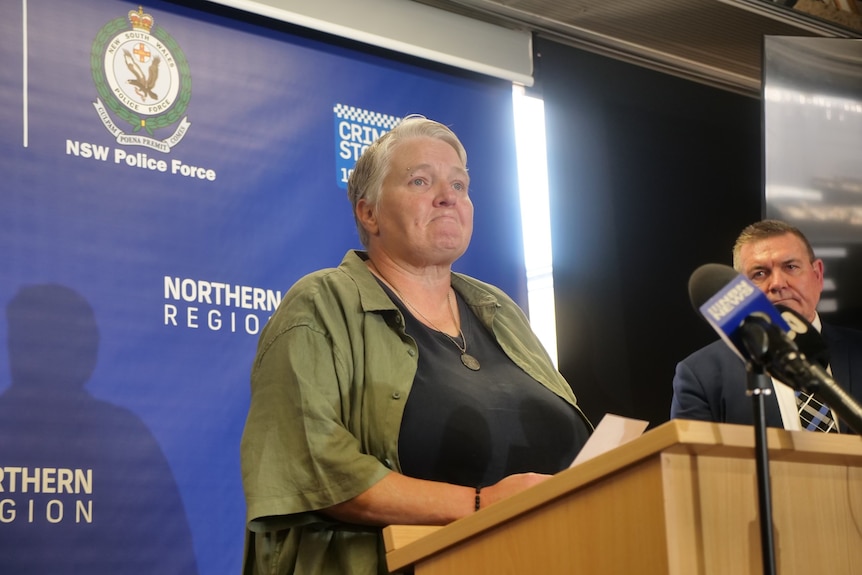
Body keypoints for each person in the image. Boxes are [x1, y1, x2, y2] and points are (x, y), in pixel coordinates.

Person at [240, 116, 592, 574]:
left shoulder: (499, 310)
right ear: (369, 212)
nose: (448, 196)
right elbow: (311, 463)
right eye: (421, 180)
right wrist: (480, 504)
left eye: (460, 185)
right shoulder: (322, 302)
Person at [671, 219, 862, 432]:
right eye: (759, 274)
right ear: (740, 289)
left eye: (791, 267)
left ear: (817, 275)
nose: (778, 283)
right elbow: (690, 462)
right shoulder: (700, 375)